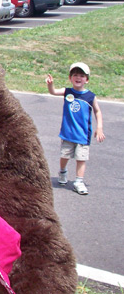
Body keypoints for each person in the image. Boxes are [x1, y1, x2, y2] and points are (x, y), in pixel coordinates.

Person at [46, 62, 105, 195]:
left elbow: (98, 111)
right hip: (68, 134)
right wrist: (50, 85)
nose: (78, 78)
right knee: (64, 155)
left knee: (81, 158)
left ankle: (79, 181)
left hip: (83, 135)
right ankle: (62, 171)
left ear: (87, 79)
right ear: (70, 78)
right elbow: (53, 92)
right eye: (75, 75)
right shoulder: (67, 92)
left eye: (82, 75)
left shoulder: (90, 96)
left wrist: (99, 127)